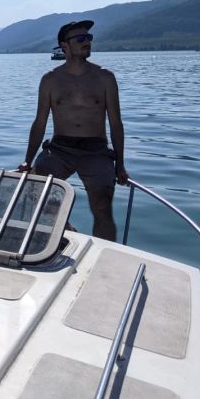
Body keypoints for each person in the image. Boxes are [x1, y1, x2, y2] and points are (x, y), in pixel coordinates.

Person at [18, 20, 129, 241]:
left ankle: (103, 256)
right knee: (35, 190)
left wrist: (120, 164)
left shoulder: (105, 77)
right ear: (64, 46)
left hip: (95, 150)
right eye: (80, 38)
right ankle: (68, 233)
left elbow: (116, 123)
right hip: (60, 148)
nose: (87, 42)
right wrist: (28, 161)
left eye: (89, 38)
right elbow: (40, 122)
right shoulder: (50, 80)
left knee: (102, 207)